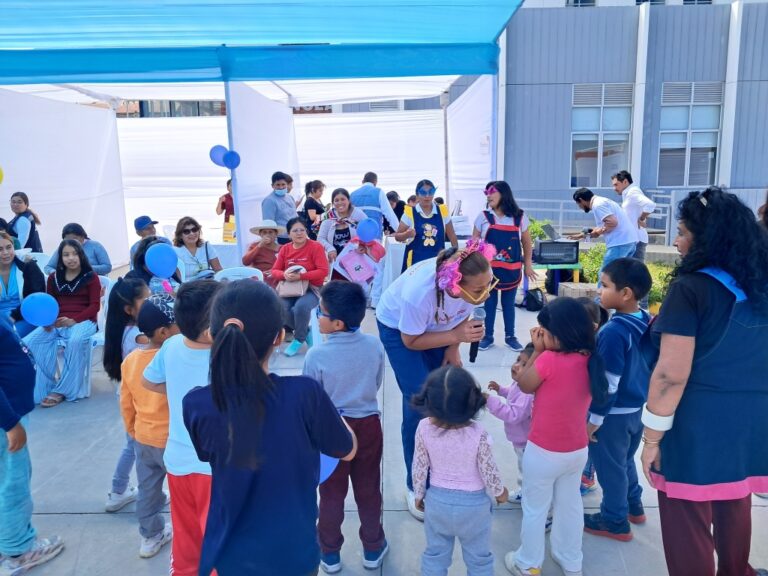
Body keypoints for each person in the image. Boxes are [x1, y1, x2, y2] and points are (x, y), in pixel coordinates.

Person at [183, 280, 356, 576]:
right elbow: (348, 449)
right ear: (279, 337)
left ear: (213, 334)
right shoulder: (305, 394)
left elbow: (206, 454)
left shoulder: (197, 403)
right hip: (293, 552)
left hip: (231, 554)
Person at [639, 187, 768, 576]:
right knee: (734, 497)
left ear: (706, 238)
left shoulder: (691, 289)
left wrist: (652, 439)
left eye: (681, 231)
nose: (677, 240)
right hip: (752, 423)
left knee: (686, 515)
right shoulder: (760, 283)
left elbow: (669, 376)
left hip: (696, 426)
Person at [375, 240, 495, 520]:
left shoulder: (467, 291)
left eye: (488, 284)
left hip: (437, 328)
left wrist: (454, 346)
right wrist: (454, 337)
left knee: (443, 392)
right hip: (400, 330)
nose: (486, 294)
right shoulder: (420, 295)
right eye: (479, 289)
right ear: (455, 284)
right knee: (420, 401)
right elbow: (411, 340)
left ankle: (442, 467)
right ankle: (414, 483)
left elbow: (459, 321)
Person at [504, 297, 608, 576]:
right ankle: (571, 560)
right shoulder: (590, 358)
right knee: (569, 504)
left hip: (543, 451)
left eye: (543, 333)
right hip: (576, 451)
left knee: (535, 508)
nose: (540, 336)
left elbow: (524, 385)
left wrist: (537, 352)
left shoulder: (549, 359)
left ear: (558, 335)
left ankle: (528, 563)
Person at [303, 282, 388, 574]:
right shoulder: (375, 345)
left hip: (331, 428)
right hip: (368, 425)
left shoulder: (316, 356)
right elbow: (376, 382)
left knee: (331, 493)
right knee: (368, 489)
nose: (317, 315)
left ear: (337, 323)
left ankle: (329, 553)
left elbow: (312, 397)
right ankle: (373, 546)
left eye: (321, 312)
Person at [142, 279, 222, 576]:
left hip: (177, 462)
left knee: (186, 535)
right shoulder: (223, 354)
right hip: (213, 468)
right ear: (211, 328)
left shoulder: (172, 344)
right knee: (217, 539)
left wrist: (180, 393)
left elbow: (148, 380)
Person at [412, 366, 509, 576]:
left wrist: (419, 494)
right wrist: (500, 491)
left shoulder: (423, 428)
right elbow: (488, 468)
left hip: (437, 504)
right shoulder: (478, 433)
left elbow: (419, 465)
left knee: (435, 556)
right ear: (471, 403)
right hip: (474, 509)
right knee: (479, 560)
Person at [584, 258, 652, 542]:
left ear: (625, 293)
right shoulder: (646, 319)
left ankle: (614, 520)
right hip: (636, 410)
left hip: (612, 415)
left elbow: (608, 383)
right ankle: (634, 506)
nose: (599, 290)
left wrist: (594, 420)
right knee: (624, 461)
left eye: (605, 285)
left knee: (610, 467)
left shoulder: (613, 332)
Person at [0, 316, 65, 575]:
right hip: (7, 421)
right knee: (13, 483)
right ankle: (19, 551)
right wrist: (11, 424)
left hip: (9, 415)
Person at [121, 294, 177, 558]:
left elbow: (126, 402)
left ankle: (150, 536)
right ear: (165, 332)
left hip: (143, 438)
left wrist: (133, 431)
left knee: (147, 489)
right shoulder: (173, 358)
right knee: (181, 490)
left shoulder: (131, 360)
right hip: (173, 441)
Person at [23, 239, 101, 407]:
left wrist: (73, 320)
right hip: (57, 322)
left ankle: (63, 390)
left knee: (75, 341)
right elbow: (49, 303)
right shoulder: (53, 278)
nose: (70, 258)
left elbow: (94, 306)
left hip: (83, 321)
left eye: (74, 254)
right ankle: (46, 386)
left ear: (81, 256)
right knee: (31, 342)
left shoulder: (91, 277)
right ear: (60, 257)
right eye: (66, 254)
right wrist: (48, 321)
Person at [102, 277, 151, 514]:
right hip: (136, 397)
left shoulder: (122, 329)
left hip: (129, 395)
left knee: (133, 444)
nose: (152, 302)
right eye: (147, 299)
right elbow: (162, 340)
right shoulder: (137, 335)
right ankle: (123, 491)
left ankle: (119, 490)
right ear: (129, 309)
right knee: (136, 445)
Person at [473, 181, 536, 352]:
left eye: (492, 191)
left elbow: (527, 243)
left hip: (511, 270)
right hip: (488, 272)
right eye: (486, 192)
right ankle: (488, 336)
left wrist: (528, 266)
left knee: (509, 304)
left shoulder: (519, 217)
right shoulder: (483, 216)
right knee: (489, 304)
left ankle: (510, 336)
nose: (488, 195)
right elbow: (474, 244)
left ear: (504, 193)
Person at [271, 217, 329, 357]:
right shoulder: (285, 249)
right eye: (295, 230)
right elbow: (274, 271)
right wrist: (284, 275)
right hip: (290, 289)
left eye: (302, 230)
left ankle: (299, 339)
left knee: (301, 307)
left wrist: (302, 276)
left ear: (306, 231)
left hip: (312, 288)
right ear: (289, 234)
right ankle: (306, 332)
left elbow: (323, 271)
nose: (299, 233)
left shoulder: (316, 247)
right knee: (281, 308)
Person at [486, 343, 535, 504]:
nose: (516, 365)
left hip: (526, 442)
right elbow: (512, 392)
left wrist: (491, 401)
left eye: (524, 364)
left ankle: (528, 496)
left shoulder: (528, 394)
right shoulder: (520, 383)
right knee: (525, 469)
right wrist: (501, 390)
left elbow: (514, 415)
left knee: (527, 472)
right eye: (518, 360)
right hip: (520, 440)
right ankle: (527, 492)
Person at [570, 187, 637, 277]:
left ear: (581, 200)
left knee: (605, 274)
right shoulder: (601, 201)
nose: (580, 207)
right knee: (621, 277)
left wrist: (598, 232)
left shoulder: (598, 205)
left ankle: (600, 291)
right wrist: (582, 235)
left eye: (578, 204)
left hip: (619, 244)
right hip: (629, 241)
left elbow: (612, 222)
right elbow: (604, 225)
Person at [395, 179, 458, 271]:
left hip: (437, 263)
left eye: (431, 192)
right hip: (415, 264)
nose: (427, 196)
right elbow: (397, 236)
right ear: (417, 195)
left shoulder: (442, 211)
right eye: (423, 193)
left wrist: (456, 255)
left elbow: (452, 235)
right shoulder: (410, 213)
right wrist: (407, 234)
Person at [0, 231, 45, 338]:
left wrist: (12, 317)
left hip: (24, 316)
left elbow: (35, 298)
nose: (6, 252)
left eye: (9, 247)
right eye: (0, 249)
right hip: (1, 319)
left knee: (10, 337)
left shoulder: (28, 266)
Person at [611, 171, 656, 264]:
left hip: (637, 241)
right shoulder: (628, 193)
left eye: (616, 185)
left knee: (636, 274)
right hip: (631, 240)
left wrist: (642, 218)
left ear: (625, 182)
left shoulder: (633, 192)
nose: (614, 188)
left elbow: (650, 205)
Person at [317, 188, 368, 264]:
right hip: (335, 262)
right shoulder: (328, 217)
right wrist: (330, 249)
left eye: (343, 199)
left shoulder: (358, 214)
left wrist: (362, 245)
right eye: (336, 200)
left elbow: (367, 231)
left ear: (349, 200)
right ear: (333, 203)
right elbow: (320, 238)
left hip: (356, 260)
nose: (340, 202)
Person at [44, 223, 112, 276]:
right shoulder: (62, 248)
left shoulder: (95, 246)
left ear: (82, 237)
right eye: (67, 240)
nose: (71, 242)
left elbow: (107, 267)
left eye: (74, 239)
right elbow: (48, 267)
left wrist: (85, 268)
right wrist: (58, 273)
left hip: (94, 282)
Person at [173, 217, 222, 281]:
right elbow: (178, 279)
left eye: (194, 229)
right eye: (186, 231)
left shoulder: (206, 246)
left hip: (208, 285)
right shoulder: (175, 252)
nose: (192, 233)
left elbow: (218, 270)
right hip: (187, 288)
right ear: (180, 235)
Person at [242, 220, 284, 287]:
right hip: (259, 279)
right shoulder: (254, 246)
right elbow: (245, 262)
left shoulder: (282, 248)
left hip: (276, 279)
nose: (267, 235)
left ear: (276, 234)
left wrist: (274, 271)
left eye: (270, 232)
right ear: (260, 234)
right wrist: (259, 246)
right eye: (264, 232)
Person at [261, 171, 299, 245]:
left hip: (295, 236)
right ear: (272, 185)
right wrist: (273, 243)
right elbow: (268, 224)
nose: (281, 187)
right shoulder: (269, 201)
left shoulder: (290, 197)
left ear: (287, 185)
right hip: (281, 239)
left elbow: (295, 215)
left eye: (283, 184)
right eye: (277, 185)